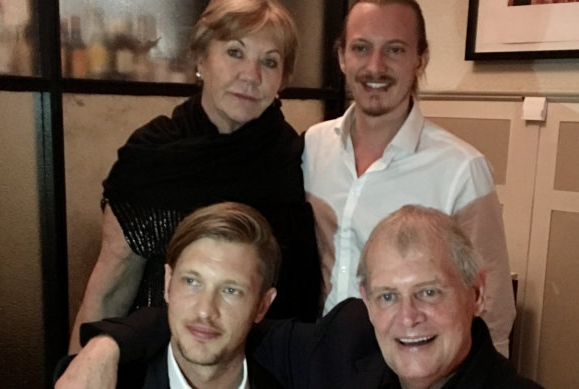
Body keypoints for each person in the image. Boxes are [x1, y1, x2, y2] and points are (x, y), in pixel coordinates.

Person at [69, 0, 322, 353]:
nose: (251, 75)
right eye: (235, 52)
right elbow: (110, 290)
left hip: (271, 360)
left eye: (269, 61)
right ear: (201, 58)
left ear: (283, 78)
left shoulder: (297, 159)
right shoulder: (152, 157)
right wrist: (76, 369)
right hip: (162, 357)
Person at [56, 205, 543, 389]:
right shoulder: (346, 345)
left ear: (476, 293)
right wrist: (108, 346)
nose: (408, 318)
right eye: (389, 296)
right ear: (366, 300)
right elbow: (215, 327)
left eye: (429, 292)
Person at [301, 0, 516, 355]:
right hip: (318, 365)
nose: (375, 66)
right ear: (342, 56)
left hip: (409, 370)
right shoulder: (312, 147)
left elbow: (491, 310)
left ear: (421, 58)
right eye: (361, 48)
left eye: (395, 50)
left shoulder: (462, 169)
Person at [57, 202, 283, 388]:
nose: (205, 310)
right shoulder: (95, 379)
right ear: (167, 283)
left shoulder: (292, 378)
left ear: (263, 305)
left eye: (231, 291)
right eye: (192, 282)